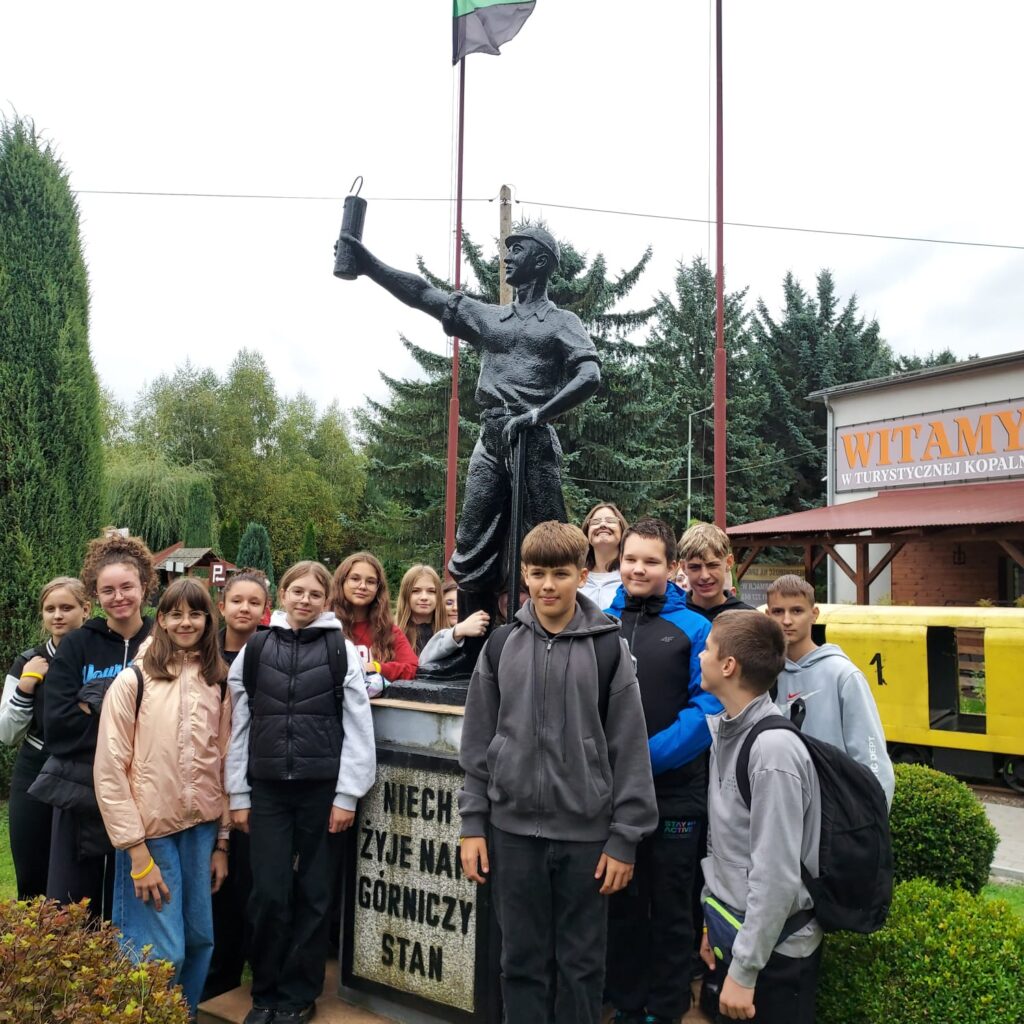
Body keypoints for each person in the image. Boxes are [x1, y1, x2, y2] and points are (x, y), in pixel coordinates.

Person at [339, 226, 601, 632]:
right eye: (507, 250)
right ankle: (476, 641)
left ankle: (553, 634)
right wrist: (370, 265)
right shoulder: (490, 318)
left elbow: (589, 374)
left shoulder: (561, 322)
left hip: (532, 441)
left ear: (541, 261)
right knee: (472, 545)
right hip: (492, 439)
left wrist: (538, 414)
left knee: (551, 543)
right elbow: (424, 294)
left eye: (517, 249)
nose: (507, 257)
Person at [459, 521, 658, 1024]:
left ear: (582, 575)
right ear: (524, 576)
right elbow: (478, 742)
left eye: (561, 574)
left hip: (586, 840)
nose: (548, 585)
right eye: (538, 574)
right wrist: (472, 823)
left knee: (582, 967)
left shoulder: (609, 649)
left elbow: (630, 747)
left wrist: (625, 838)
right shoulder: (500, 645)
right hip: (511, 835)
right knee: (520, 963)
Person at [226, 560, 376, 1024]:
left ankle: (297, 996)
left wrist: (347, 795)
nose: (305, 600)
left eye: (314, 594)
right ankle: (266, 992)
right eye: (297, 591)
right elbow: (239, 726)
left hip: (321, 792)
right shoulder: (255, 649)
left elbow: (358, 725)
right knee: (269, 893)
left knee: (314, 893)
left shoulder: (340, 650)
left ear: (325, 599)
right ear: (283, 595)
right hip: (268, 791)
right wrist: (238, 794)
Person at [93, 577, 231, 1020]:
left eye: (196, 614)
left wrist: (222, 842)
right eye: (175, 613)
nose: (186, 622)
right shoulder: (134, 681)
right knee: (159, 952)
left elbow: (224, 763)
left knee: (199, 942)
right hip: (151, 836)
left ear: (208, 620)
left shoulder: (218, 682)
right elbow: (110, 771)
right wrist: (135, 852)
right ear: (163, 620)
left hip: (201, 831)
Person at [604, 518, 717, 1024]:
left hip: (675, 794)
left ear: (672, 568)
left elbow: (707, 709)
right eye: (630, 559)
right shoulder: (600, 622)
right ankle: (627, 1004)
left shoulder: (696, 628)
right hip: (613, 796)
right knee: (622, 904)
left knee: (672, 906)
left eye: (651, 561)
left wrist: (642, 758)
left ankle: (667, 1008)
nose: (638, 569)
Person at [699, 612, 823, 1024]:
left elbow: (776, 875)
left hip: (775, 957)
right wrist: (712, 925)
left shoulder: (772, 752)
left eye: (708, 649)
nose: (700, 657)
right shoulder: (726, 731)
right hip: (735, 936)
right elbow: (724, 842)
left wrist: (745, 969)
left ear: (728, 666)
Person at [41, 533, 156, 917]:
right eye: (108, 590)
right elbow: (58, 725)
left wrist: (93, 706)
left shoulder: (161, 642)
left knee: (134, 908)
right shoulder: (77, 645)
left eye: (127, 587)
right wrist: (127, 728)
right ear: (95, 593)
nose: (118, 597)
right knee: (73, 908)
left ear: (144, 587)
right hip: (79, 792)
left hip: (144, 796)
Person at [202, 569, 272, 1001]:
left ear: (266, 610)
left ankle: (249, 968)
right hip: (205, 778)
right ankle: (216, 978)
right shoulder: (202, 652)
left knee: (248, 880)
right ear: (222, 605)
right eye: (237, 600)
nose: (245, 608)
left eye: (254, 602)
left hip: (251, 782)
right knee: (215, 886)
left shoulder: (273, 651)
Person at [766, 574, 894, 806]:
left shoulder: (843, 675)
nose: (786, 620)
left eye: (797, 611)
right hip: (783, 809)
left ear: (814, 614)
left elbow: (872, 760)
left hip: (834, 813)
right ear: (767, 615)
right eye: (778, 611)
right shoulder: (763, 675)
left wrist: (874, 817)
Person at [1, 576, 90, 898]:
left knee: (81, 873)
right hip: (34, 769)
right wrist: (26, 686)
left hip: (84, 770)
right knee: (31, 868)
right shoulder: (28, 661)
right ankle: (33, 932)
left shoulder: (97, 658)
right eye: (50, 609)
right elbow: (6, 733)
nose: (58, 615)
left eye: (67, 607)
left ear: (86, 609)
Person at [329, 551, 417, 695]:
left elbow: (412, 668)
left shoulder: (388, 631)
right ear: (341, 582)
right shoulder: (327, 627)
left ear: (378, 589)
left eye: (370, 582)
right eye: (355, 579)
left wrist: (377, 668)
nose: (362, 586)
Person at [678, 522, 755, 622]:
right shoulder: (671, 616)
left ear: (729, 562)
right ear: (683, 567)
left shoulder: (751, 620)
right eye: (695, 567)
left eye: (712, 565)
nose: (704, 576)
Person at [579, 502, 628, 609]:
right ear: (587, 532)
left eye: (610, 521)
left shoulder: (632, 576)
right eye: (595, 522)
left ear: (622, 530)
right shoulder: (575, 577)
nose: (602, 525)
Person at [395, 564, 448, 654]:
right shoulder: (391, 635)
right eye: (416, 591)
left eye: (431, 591)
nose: (424, 597)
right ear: (405, 595)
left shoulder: (449, 635)